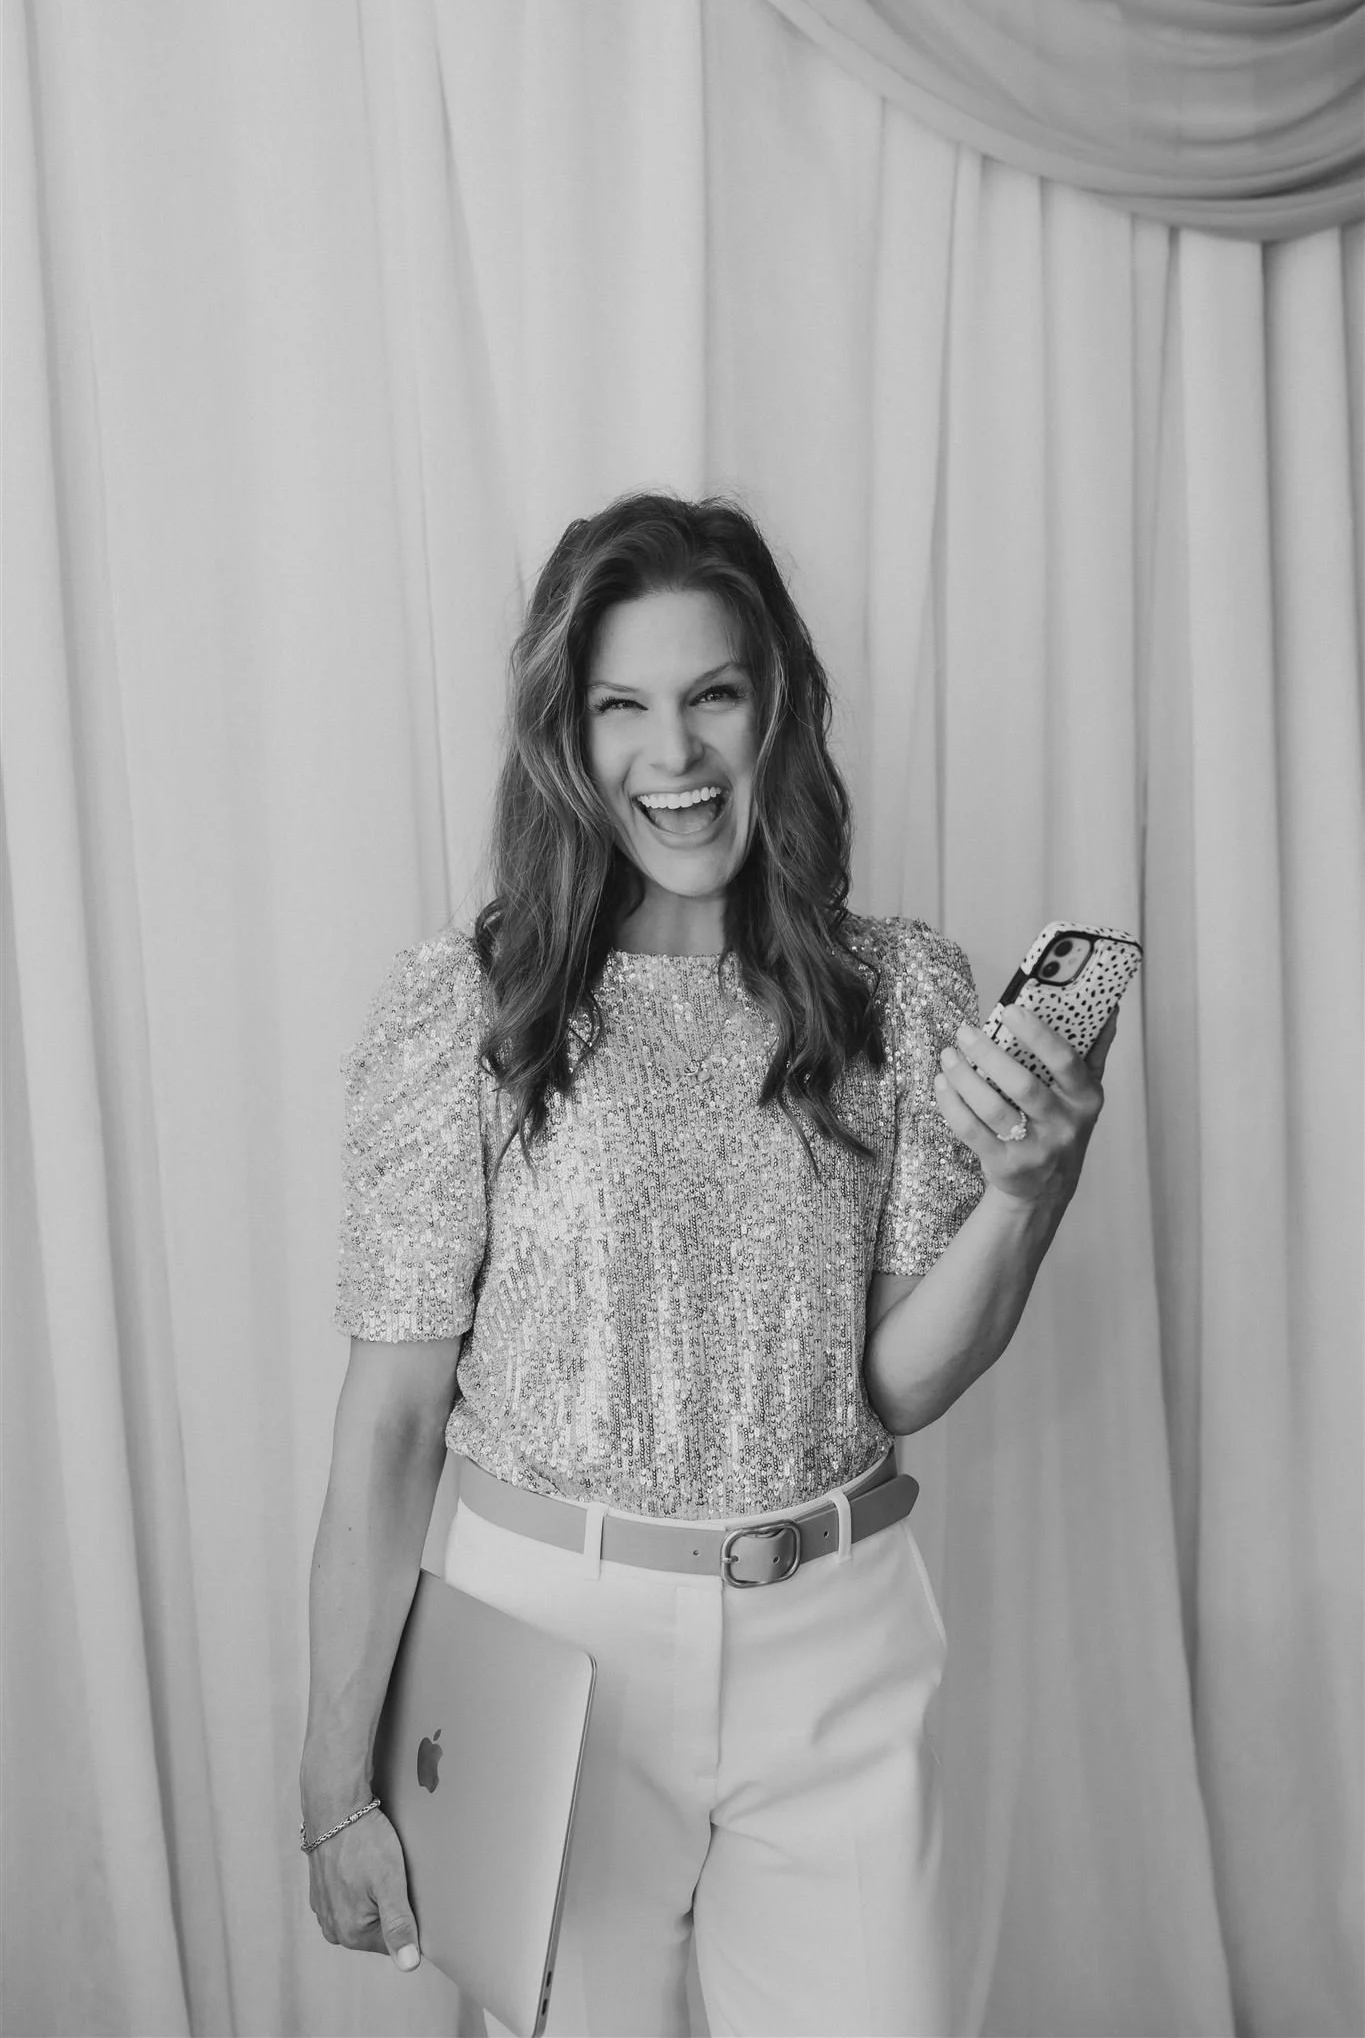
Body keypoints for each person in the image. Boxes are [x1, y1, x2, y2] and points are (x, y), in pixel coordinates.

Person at [300, 492, 1118, 2038]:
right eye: (623, 706)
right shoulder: (472, 1010)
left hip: (838, 1638)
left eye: (712, 695)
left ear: (775, 710)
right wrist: (334, 1782)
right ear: (568, 736)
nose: (671, 752)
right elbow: (391, 1427)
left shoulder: (898, 993)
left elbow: (894, 1384)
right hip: (549, 1658)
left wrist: (1029, 1195)